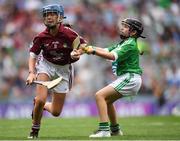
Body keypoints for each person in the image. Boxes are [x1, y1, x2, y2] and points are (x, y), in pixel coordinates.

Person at [73, 18, 145, 137]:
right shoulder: (124, 43)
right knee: (108, 101)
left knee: (99, 95)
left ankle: (104, 131)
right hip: (128, 78)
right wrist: (86, 49)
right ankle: (115, 130)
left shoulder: (130, 44)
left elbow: (111, 56)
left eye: (126, 27)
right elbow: (105, 50)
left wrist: (92, 51)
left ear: (133, 32)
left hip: (130, 78)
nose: (122, 28)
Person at [26, 4, 86, 139]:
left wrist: (77, 53)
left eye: (52, 14)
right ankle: (35, 129)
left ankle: (39, 105)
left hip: (64, 70)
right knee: (41, 99)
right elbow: (32, 56)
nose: (49, 17)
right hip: (45, 66)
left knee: (56, 112)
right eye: (46, 15)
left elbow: (83, 46)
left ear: (60, 17)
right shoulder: (41, 37)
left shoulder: (70, 34)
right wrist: (31, 72)